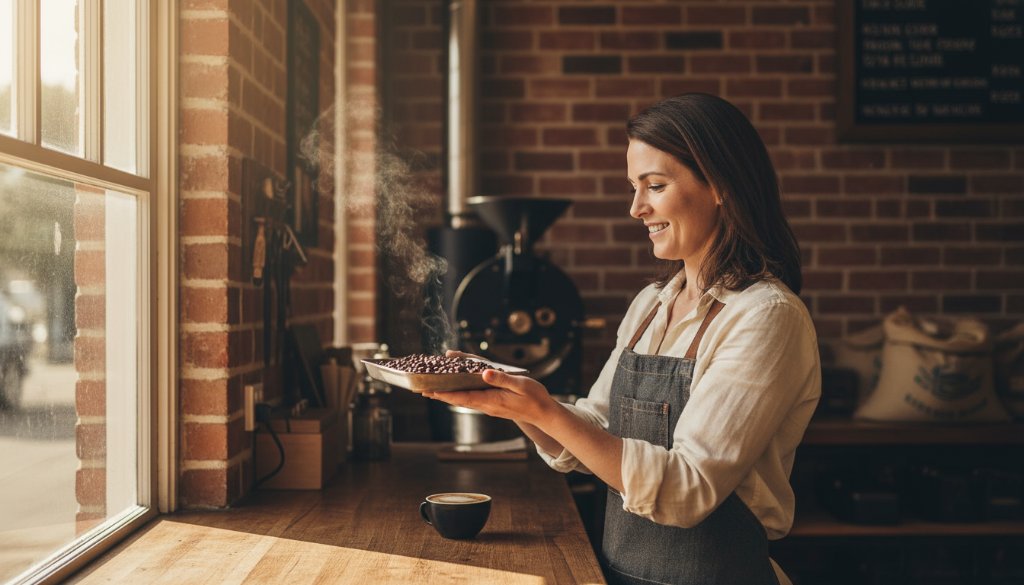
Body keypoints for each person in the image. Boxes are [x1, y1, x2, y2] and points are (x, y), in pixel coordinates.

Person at [423, 93, 821, 585]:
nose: (636, 208)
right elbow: (595, 426)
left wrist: (543, 410)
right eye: (634, 187)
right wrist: (518, 403)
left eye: (654, 185)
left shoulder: (765, 317)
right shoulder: (651, 305)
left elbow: (687, 489)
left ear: (720, 185)